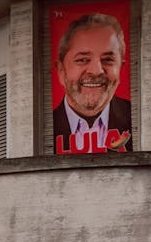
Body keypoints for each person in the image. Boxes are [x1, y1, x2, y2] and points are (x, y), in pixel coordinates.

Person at [53, 12, 132, 153]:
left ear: (121, 68)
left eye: (108, 59)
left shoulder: (138, 119)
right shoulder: (42, 128)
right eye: (82, 59)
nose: (96, 71)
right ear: (61, 70)